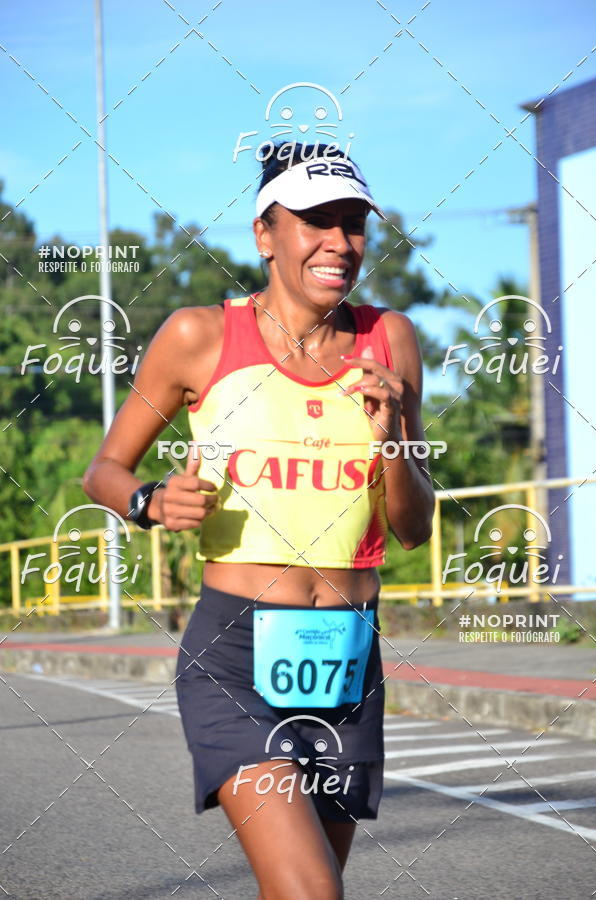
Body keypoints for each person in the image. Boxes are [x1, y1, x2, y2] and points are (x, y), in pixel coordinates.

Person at [83, 142, 435, 900]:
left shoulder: (392, 340)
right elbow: (103, 471)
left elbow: (414, 528)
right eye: (314, 221)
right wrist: (149, 501)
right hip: (235, 656)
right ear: (264, 234)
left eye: (352, 224)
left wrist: (393, 440)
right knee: (312, 891)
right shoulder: (198, 336)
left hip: (348, 661)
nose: (338, 243)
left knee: (304, 890)